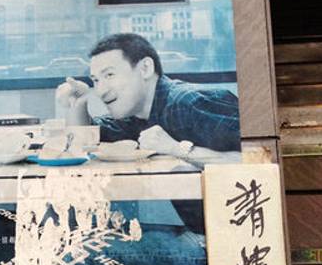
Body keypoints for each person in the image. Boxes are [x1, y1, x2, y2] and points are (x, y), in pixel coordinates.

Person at [56, 32, 241, 167]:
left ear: (145, 68)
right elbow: (86, 141)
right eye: (96, 80)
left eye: (109, 75)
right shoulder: (136, 116)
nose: (101, 91)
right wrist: (78, 103)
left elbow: (254, 158)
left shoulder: (188, 102)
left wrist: (176, 149)